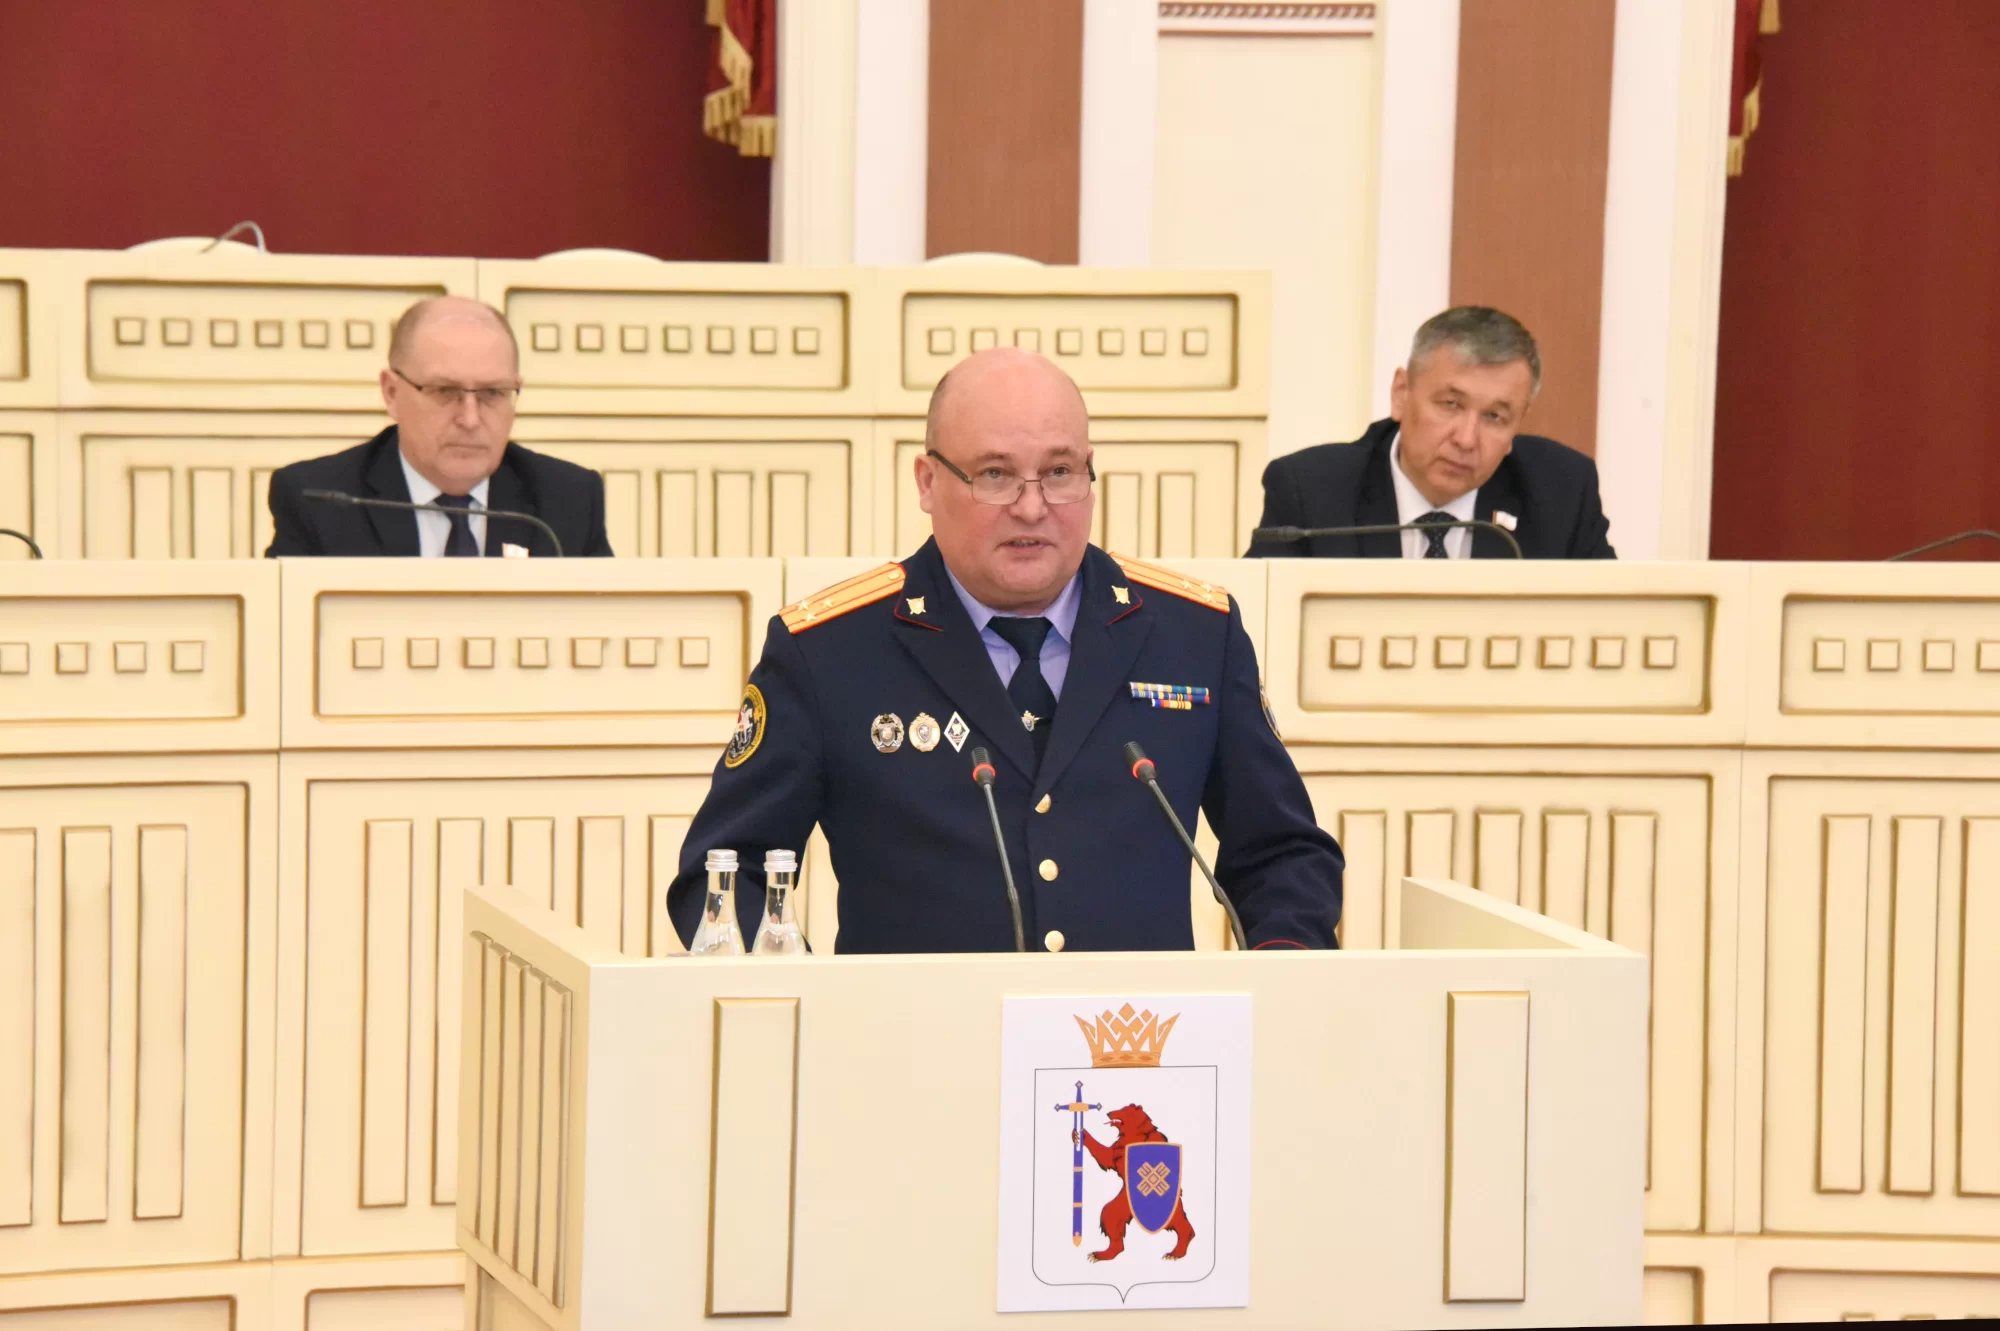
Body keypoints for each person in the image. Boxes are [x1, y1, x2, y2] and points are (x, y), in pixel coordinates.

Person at [668, 348, 1343, 953]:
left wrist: (1278, 979)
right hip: (917, 1045)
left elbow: (1283, 854)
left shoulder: (1195, 634)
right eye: (995, 474)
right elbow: (722, 872)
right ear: (927, 482)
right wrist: (810, 1007)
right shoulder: (829, 651)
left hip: (1132, 1043)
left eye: (1060, 471)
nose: (1032, 506)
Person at [1246, 306, 1615, 560]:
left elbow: (1612, 627)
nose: (1466, 439)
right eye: (1450, 404)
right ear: (1401, 394)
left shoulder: (1562, 495)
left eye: (1495, 417)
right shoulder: (1310, 493)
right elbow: (1257, 629)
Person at [264, 296, 613, 557]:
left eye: (493, 393)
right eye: (444, 391)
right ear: (391, 393)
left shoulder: (568, 501)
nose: (470, 420)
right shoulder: (322, 503)